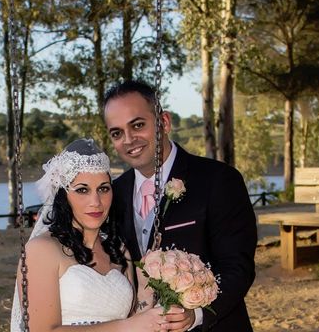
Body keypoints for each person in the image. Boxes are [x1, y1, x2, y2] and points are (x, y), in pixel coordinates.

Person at [104, 81, 258, 332]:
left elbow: (238, 267)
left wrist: (196, 314)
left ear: (164, 122)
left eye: (138, 125)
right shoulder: (115, 193)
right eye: (117, 133)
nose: (129, 140)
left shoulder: (219, 180)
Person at [10, 138, 188, 331]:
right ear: (62, 195)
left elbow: (134, 322)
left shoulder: (118, 251)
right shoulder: (41, 250)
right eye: (82, 190)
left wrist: (146, 292)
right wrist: (126, 327)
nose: (96, 201)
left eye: (103, 188)